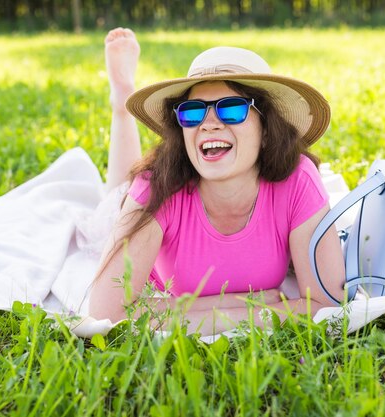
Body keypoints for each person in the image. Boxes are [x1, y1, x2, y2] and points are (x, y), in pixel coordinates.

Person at [90, 28, 345, 336]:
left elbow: (327, 303)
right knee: (113, 197)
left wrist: (193, 312)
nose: (209, 124)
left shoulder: (298, 180)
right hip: (136, 211)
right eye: (193, 112)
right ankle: (121, 102)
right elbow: (107, 314)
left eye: (232, 108)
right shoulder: (157, 184)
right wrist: (250, 305)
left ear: (267, 130)